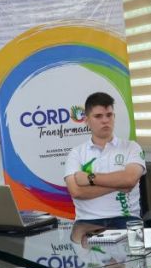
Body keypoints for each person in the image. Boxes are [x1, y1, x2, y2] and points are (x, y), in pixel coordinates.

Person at [63, 92, 146, 229]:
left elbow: (130, 180)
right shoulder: (76, 153)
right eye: (98, 116)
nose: (105, 120)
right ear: (87, 120)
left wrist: (89, 178)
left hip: (126, 219)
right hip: (88, 221)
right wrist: (118, 184)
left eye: (109, 115)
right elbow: (76, 191)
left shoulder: (131, 147)